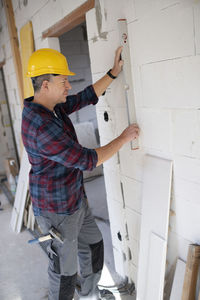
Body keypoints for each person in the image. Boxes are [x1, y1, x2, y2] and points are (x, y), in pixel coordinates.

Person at [21, 47, 139, 300]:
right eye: (63, 81)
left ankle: (89, 294)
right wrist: (124, 137)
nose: (68, 86)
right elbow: (88, 160)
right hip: (57, 210)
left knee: (95, 247)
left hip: (75, 199)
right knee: (65, 271)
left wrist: (113, 73)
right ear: (45, 84)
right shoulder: (40, 126)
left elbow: (84, 97)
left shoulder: (51, 107)